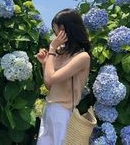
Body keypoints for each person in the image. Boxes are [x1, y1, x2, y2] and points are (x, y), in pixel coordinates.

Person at [36, 8, 91, 145]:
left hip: (63, 112)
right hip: (49, 109)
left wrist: (52, 50)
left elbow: (50, 79)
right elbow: (50, 86)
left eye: (55, 29)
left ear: (64, 29)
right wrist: (45, 64)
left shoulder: (82, 57)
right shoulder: (61, 53)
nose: (54, 33)